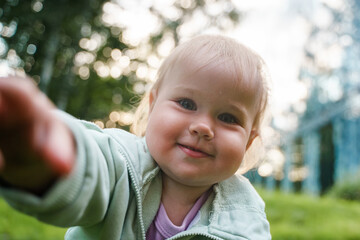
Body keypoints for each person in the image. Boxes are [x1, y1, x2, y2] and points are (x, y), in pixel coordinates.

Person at [0, 35, 271, 240]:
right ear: (152, 106)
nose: (203, 127)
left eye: (228, 118)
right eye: (187, 104)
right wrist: (48, 161)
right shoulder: (122, 162)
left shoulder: (245, 216)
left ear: (248, 141)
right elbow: (92, 174)